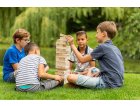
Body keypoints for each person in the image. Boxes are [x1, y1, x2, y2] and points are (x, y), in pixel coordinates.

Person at [66, 21, 124, 89]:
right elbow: (111, 67)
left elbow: (82, 59)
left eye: (97, 32)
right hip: (118, 82)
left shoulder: (102, 47)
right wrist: (99, 74)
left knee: (70, 77)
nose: (95, 35)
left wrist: (72, 44)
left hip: (107, 83)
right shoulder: (115, 48)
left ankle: (82, 83)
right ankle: (87, 79)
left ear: (103, 34)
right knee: (93, 69)